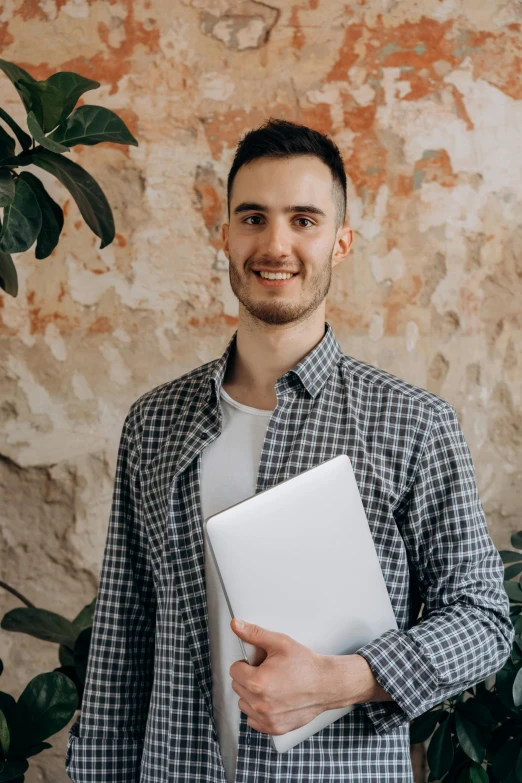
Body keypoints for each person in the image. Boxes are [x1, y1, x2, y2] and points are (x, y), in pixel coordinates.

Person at [65, 119, 514, 783]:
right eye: (253, 217)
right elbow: (124, 639)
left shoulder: (415, 423)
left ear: (341, 240)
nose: (275, 244)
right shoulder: (155, 422)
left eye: (304, 219)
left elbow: (482, 620)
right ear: (225, 235)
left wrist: (349, 677)